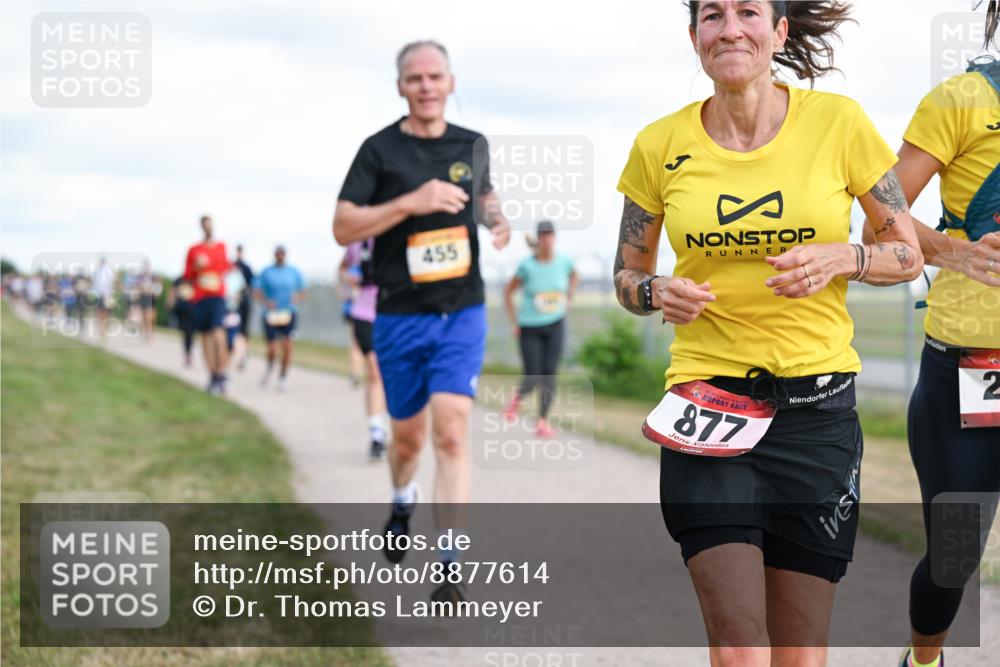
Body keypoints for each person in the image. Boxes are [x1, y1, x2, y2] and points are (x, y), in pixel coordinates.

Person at [614, 2, 924, 664]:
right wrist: (655, 291)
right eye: (712, 15)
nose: (730, 28)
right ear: (694, 34)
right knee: (739, 647)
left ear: (779, 31)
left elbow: (907, 254)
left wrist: (847, 256)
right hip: (708, 404)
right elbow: (626, 276)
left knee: (801, 652)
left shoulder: (838, 123)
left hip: (817, 414)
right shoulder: (657, 145)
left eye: (749, 11)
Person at [333, 39, 510, 604]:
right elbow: (343, 226)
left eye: (436, 77)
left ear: (451, 83)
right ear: (401, 87)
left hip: (461, 310)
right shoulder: (377, 151)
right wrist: (411, 202)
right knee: (407, 441)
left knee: (452, 431)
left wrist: (498, 219)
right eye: (416, 79)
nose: (427, 86)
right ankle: (403, 497)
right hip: (399, 315)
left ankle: (450, 558)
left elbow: (483, 199)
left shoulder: (472, 144)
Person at [883, 7, 1000, 666]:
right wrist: (956, 254)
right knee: (954, 557)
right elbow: (882, 213)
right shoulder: (963, 99)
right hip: (971, 366)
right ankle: (923, 659)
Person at [502, 221, 578, 436]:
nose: (547, 239)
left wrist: (569, 297)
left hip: (555, 324)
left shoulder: (564, 262)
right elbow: (508, 292)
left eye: (550, 235)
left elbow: (575, 276)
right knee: (533, 375)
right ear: (538, 239)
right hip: (529, 327)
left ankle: (543, 421)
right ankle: (517, 397)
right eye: (543, 236)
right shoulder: (527, 266)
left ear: (554, 238)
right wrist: (514, 321)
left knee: (550, 374)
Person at [340, 238, 389, 459]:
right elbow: (342, 268)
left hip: (391, 311)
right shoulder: (358, 243)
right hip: (363, 312)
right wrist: (349, 282)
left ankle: (385, 420)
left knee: (387, 373)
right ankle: (376, 431)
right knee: (374, 369)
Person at [184, 215, 231, 394]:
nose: (208, 228)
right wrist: (196, 266)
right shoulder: (194, 249)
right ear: (201, 227)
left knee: (218, 334)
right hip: (200, 297)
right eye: (205, 225)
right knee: (205, 337)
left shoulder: (221, 247)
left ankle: (221, 371)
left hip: (217, 296)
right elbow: (188, 275)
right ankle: (213, 376)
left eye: (210, 224)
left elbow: (226, 268)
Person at [254, 245, 306, 392]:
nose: (280, 256)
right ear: (275, 255)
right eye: (278, 254)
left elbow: (303, 290)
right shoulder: (266, 271)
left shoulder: (293, 272)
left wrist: (297, 297)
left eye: (282, 253)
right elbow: (256, 290)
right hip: (270, 313)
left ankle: (283, 377)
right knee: (272, 347)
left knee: (288, 345)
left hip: (288, 312)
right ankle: (270, 368)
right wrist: (265, 301)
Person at [233, 245, 255, 370]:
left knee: (243, 330)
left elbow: (251, 286)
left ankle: (243, 354)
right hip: (232, 304)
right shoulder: (233, 266)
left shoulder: (247, 268)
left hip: (244, 303)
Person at [168, 276, 196, 368]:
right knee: (186, 332)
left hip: (194, 308)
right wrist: (170, 301)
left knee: (190, 333)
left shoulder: (196, 278)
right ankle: (187, 353)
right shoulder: (181, 279)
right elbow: (173, 289)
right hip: (182, 308)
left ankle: (189, 354)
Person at [90, 258, 116, 339]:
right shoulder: (97, 272)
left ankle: (105, 328)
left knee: (106, 313)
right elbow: (94, 284)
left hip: (107, 295)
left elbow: (111, 285)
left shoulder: (109, 272)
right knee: (99, 313)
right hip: (99, 295)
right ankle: (102, 330)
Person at [137, 262, 161, 342]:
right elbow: (137, 287)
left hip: (151, 298)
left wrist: (156, 293)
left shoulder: (153, 277)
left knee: (151, 317)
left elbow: (158, 285)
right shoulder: (140, 277)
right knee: (145, 316)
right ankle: (147, 334)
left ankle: (151, 333)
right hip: (143, 297)